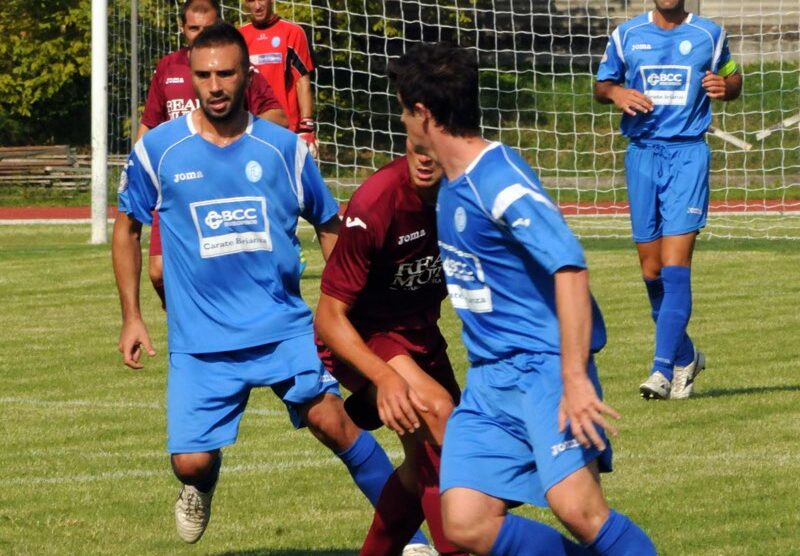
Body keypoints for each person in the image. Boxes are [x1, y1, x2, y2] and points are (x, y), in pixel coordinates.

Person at [112, 22, 406, 546]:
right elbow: (127, 227)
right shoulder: (159, 151)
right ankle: (201, 483)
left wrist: (347, 307)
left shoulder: (283, 150)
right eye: (204, 75)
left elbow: (328, 222)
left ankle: (408, 538)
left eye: (226, 73)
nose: (215, 86)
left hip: (282, 328)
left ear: (247, 75)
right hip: (202, 343)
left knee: (334, 423)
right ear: (192, 76)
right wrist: (133, 316)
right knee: (190, 461)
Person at [390, 42, 657, 555]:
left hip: (543, 371)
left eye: (405, 110)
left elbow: (570, 265)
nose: (403, 121)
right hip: (490, 382)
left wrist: (574, 379)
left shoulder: (498, 179)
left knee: (580, 511)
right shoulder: (451, 185)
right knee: (465, 521)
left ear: (423, 114)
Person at [316, 139, 465, 556]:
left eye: (433, 144)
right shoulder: (378, 201)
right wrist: (382, 378)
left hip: (422, 336)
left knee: (427, 466)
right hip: (366, 335)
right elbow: (328, 318)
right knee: (438, 415)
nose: (422, 155)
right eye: (415, 143)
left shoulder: (470, 192)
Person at [594, 0, 742, 400]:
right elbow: (602, 86)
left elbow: (733, 77)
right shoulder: (626, 36)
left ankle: (661, 369)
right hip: (642, 155)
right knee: (651, 270)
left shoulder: (709, 34)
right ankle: (687, 354)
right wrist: (618, 92)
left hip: (688, 156)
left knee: (676, 266)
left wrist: (726, 87)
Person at [138, 0, 289, 308]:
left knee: (220, 265)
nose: (199, 35)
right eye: (193, 29)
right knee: (157, 271)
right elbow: (148, 124)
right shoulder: (167, 67)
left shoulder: (235, 68)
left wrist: (238, 133)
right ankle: (187, 314)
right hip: (176, 183)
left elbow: (278, 116)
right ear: (183, 29)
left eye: (207, 28)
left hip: (223, 182)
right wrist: (140, 166)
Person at [239, 0, 318, 156]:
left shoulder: (293, 32)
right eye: (250, 1)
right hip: (251, 130)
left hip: (287, 131)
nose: (257, 6)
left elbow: (302, 82)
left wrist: (307, 128)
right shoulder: (238, 37)